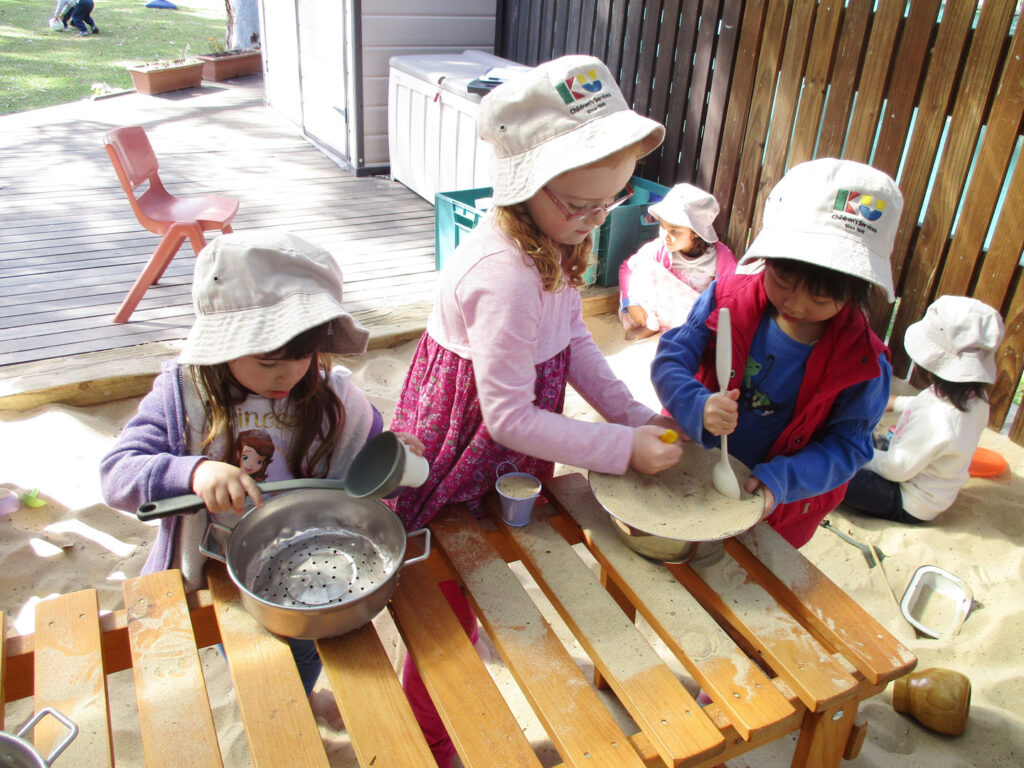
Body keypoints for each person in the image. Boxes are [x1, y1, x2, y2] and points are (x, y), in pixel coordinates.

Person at [388, 55, 682, 766]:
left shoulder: (554, 241)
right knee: (446, 595)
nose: (589, 221)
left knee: (486, 565)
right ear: (523, 188)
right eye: (575, 204)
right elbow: (507, 419)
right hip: (462, 448)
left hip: (502, 433)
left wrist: (630, 416)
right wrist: (619, 451)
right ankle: (426, 737)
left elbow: (572, 337)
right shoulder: (506, 275)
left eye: (608, 202)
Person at [99, 230, 424, 697]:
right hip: (226, 568)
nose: (288, 375)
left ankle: (305, 691)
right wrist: (193, 472)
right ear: (223, 343)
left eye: (303, 355)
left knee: (316, 653)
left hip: (314, 550)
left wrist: (398, 462)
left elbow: (370, 478)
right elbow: (117, 475)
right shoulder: (184, 396)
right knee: (270, 671)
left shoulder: (332, 397)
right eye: (268, 360)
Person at [651, 158, 904, 549]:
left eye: (821, 294)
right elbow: (671, 358)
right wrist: (695, 404)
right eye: (783, 279)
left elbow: (849, 446)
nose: (796, 304)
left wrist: (782, 480)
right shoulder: (728, 298)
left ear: (856, 289)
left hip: (776, 507)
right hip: (692, 470)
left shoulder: (864, 363)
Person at [841, 295, 1004, 524]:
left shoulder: (936, 418)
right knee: (861, 437)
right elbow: (924, 404)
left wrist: (854, 453)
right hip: (921, 473)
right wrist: (894, 403)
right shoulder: (973, 398)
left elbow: (895, 468)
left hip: (908, 498)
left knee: (834, 473)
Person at [619, 183, 737, 341]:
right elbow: (627, 268)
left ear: (696, 232)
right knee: (644, 266)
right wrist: (630, 302)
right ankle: (651, 325)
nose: (665, 235)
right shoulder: (661, 248)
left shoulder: (719, 258)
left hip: (694, 316)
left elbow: (734, 291)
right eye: (663, 226)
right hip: (660, 311)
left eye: (674, 230)